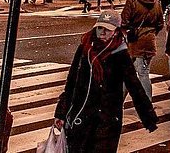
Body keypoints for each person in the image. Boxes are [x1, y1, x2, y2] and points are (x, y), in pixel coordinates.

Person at [53, 10, 158, 152]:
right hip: (81, 116)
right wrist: (61, 112)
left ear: (116, 32)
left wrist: (148, 117)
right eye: (100, 28)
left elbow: (134, 86)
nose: (102, 33)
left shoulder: (120, 54)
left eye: (108, 29)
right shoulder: (85, 49)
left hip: (107, 120)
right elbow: (71, 81)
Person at [121, 0, 164, 99]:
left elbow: (123, 21)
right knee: (142, 72)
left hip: (134, 40)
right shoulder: (156, 2)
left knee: (135, 73)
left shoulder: (133, 1)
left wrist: (128, 32)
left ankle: (145, 102)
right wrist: (151, 32)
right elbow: (160, 23)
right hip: (149, 40)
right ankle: (146, 102)